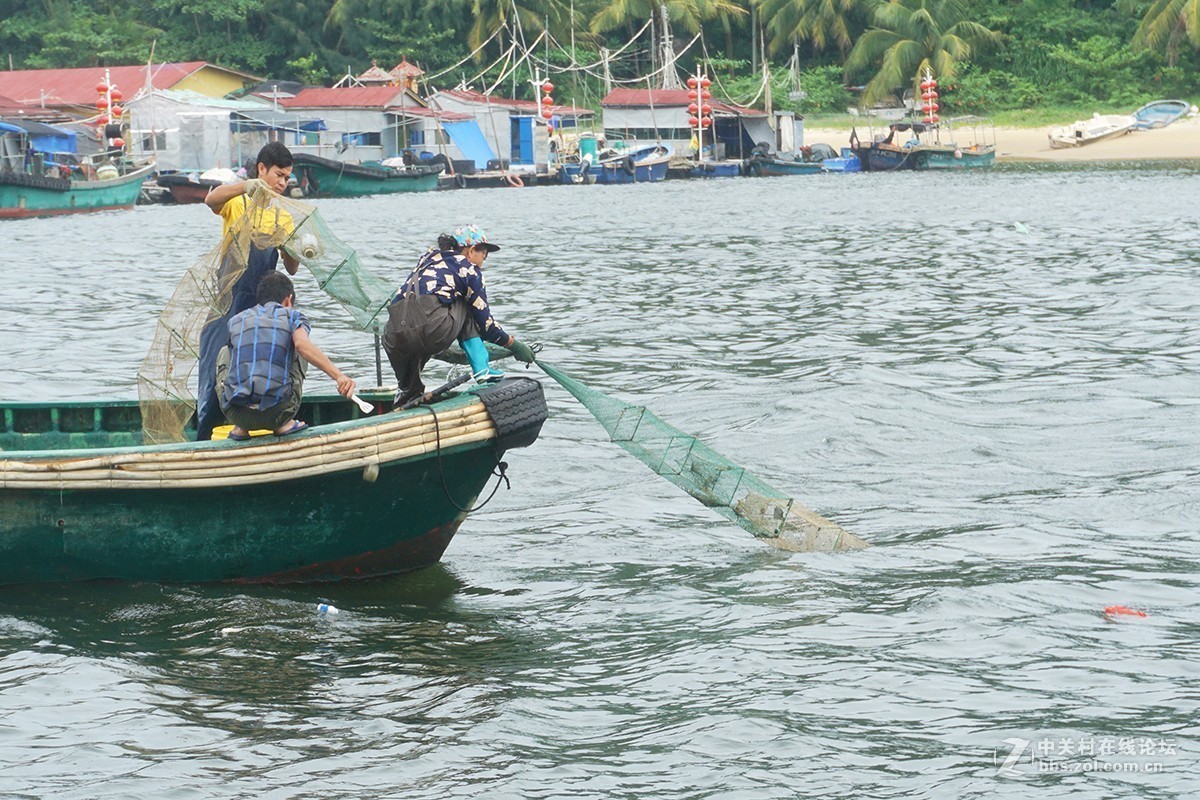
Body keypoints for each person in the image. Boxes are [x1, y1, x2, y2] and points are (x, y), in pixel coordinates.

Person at [195, 142, 300, 440]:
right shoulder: (238, 202)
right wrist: (245, 186)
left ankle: (268, 423)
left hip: (264, 306)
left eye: (287, 178)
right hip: (230, 300)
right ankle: (207, 435)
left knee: (269, 365)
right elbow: (210, 199)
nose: (282, 183)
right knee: (217, 366)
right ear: (261, 170)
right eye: (278, 175)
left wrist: (296, 248)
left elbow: (291, 268)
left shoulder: (283, 217)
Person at [382, 224, 535, 407]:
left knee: (409, 390)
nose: (483, 261)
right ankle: (482, 369)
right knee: (466, 301)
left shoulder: (428, 260)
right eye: (483, 255)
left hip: (392, 337)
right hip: (431, 330)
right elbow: (486, 326)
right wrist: (514, 345)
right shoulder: (468, 269)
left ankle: (407, 393)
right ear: (471, 251)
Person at [215, 272, 355, 441]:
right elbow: (303, 346)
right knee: (299, 347)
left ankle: (241, 429)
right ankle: (285, 425)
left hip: (236, 413)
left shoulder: (237, 320)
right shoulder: (293, 316)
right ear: (288, 300)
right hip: (278, 414)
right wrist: (339, 376)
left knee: (226, 351)